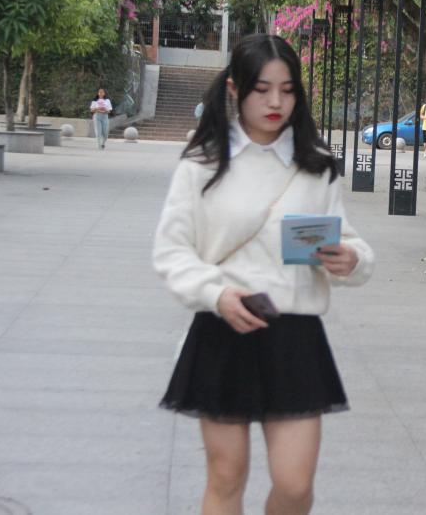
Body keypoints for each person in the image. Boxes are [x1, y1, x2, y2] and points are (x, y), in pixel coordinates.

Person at [153, 33, 375, 514]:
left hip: (295, 337)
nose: (276, 102)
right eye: (262, 89)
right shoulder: (203, 163)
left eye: (288, 90)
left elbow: (351, 243)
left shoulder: (315, 165)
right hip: (223, 330)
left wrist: (351, 259)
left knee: (295, 486)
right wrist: (216, 294)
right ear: (235, 89)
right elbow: (171, 252)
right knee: (226, 478)